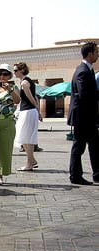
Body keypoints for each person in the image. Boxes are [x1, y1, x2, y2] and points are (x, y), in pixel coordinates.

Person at [67, 42, 99, 185]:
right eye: (96, 52)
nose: (98, 55)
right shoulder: (82, 71)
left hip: (88, 116)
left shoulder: (88, 69)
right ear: (90, 53)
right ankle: (75, 175)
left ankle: (97, 174)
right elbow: (84, 95)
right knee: (79, 147)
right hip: (83, 116)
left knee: (94, 145)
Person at [13, 62, 42, 171]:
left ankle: (29, 163)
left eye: (16, 70)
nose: (14, 73)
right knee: (22, 136)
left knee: (27, 137)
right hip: (27, 111)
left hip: (28, 111)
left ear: (22, 70)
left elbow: (32, 98)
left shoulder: (25, 83)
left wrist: (38, 110)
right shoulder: (25, 81)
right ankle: (31, 160)